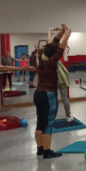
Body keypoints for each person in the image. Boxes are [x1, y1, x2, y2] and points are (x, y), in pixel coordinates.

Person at [35, 24, 71, 159]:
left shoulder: (41, 56)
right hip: (49, 95)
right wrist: (66, 37)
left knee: (40, 122)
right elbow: (60, 48)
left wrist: (62, 31)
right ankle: (47, 151)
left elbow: (55, 44)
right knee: (48, 123)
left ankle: (39, 149)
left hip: (38, 94)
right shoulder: (51, 62)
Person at [47, 28, 73, 122]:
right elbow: (64, 42)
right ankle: (69, 116)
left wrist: (49, 31)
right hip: (60, 78)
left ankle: (51, 117)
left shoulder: (49, 55)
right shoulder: (60, 52)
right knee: (64, 97)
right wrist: (66, 33)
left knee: (52, 99)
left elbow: (49, 42)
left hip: (53, 79)